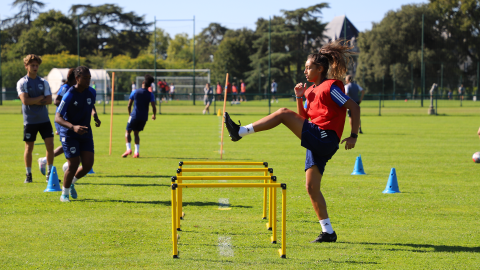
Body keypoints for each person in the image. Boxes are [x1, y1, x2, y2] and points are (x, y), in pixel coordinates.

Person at [224, 40, 360, 243]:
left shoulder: (331, 88)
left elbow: (354, 107)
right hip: (315, 136)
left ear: (320, 69)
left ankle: (240, 131)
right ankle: (328, 232)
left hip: (325, 138)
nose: (305, 71)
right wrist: (299, 97)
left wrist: (353, 136)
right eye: (304, 68)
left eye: (308, 67)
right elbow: (304, 119)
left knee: (282, 114)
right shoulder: (311, 91)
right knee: (311, 187)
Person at [55, 66, 101, 202]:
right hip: (69, 133)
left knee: (88, 165)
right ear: (77, 78)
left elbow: (90, 104)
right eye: (85, 78)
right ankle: (64, 194)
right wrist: (73, 127)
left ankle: (72, 182)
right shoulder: (69, 94)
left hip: (86, 132)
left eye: (89, 78)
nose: (88, 81)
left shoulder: (92, 92)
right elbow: (58, 117)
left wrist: (95, 115)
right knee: (73, 164)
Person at [17, 54, 54, 183]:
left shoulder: (43, 82)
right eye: (32, 65)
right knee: (29, 148)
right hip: (30, 121)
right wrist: (39, 98)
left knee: (50, 145)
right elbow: (25, 101)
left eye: (37, 65)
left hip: (44, 120)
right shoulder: (22, 82)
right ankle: (28, 174)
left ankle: (49, 173)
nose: (35, 67)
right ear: (26, 66)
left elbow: (49, 100)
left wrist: (33, 100)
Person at [38, 68, 76, 178]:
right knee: (68, 143)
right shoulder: (65, 87)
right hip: (62, 119)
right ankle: (46, 160)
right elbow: (56, 101)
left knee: (67, 144)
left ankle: (45, 160)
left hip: (68, 120)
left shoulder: (74, 88)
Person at [122, 74, 157, 158]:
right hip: (143, 117)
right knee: (136, 133)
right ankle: (136, 152)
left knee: (127, 132)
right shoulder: (150, 94)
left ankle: (128, 149)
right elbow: (153, 106)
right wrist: (154, 115)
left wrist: (129, 114)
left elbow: (129, 105)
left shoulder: (135, 91)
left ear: (143, 82)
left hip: (134, 116)